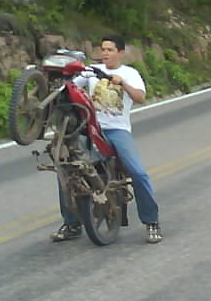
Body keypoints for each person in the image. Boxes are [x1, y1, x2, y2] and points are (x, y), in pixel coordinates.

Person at [51, 35, 162, 244]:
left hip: (117, 130)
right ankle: (72, 224)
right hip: (90, 128)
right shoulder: (91, 71)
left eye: (110, 50)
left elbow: (140, 97)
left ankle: (151, 222)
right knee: (67, 171)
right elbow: (69, 88)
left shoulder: (129, 73)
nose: (105, 53)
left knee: (138, 173)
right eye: (103, 49)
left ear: (120, 52)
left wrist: (123, 84)